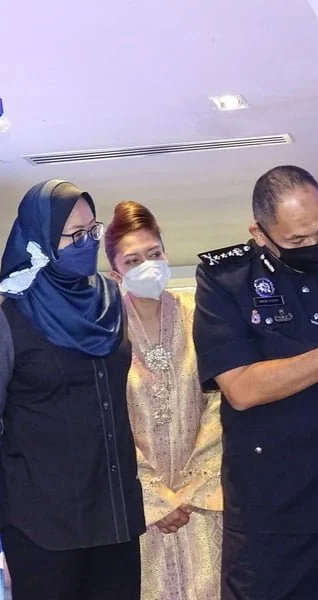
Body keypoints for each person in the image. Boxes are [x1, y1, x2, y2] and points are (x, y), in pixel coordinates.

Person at [193, 165, 318, 600]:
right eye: (297, 241)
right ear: (260, 233)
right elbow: (241, 388)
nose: (315, 247)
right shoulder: (226, 280)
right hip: (277, 510)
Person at [0, 180, 145, 600]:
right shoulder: (0, 313)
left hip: (114, 513)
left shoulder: (109, 299)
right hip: (43, 524)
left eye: (92, 231)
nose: (87, 243)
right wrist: (25, 485)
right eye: (74, 236)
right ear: (39, 241)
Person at [105, 200, 223, 600]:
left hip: (203, 505)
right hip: (136, 509)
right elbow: (106, 423)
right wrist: (154, 499)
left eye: (154, 254)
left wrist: (190, 491)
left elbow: (220, 402)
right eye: (133, 260)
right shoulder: (104, 335)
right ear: (115, 272)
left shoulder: (200, 317)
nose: (148, 266)